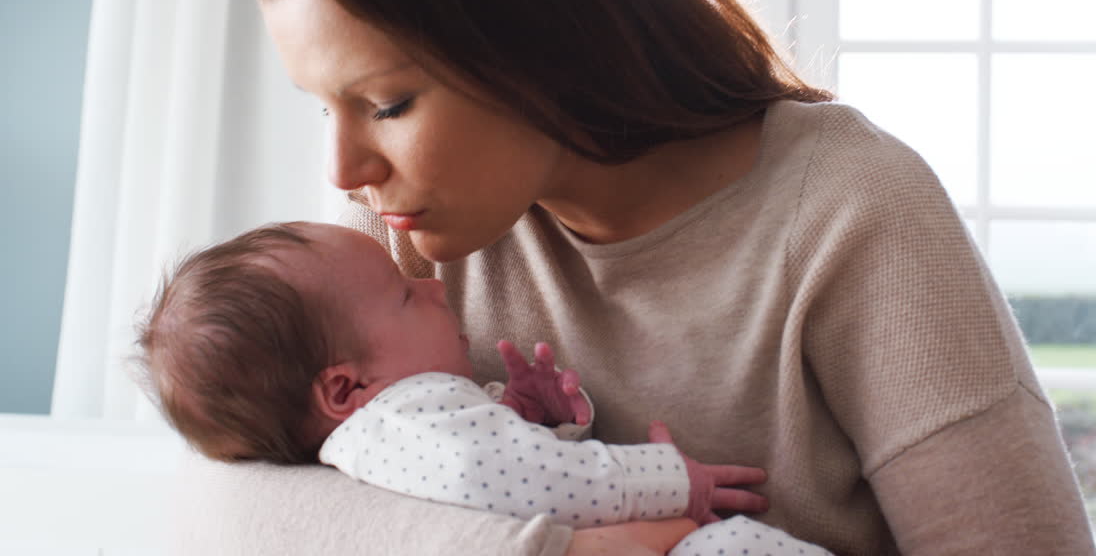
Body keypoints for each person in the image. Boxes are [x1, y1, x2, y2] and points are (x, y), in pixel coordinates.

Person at [224, 0, 1096, 553]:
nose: (344, 169)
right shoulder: (395, 234)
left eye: (387, 104)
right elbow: (232, 510)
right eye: (325, 107)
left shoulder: (852, 210)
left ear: (545, 36)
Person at [139, 220, 832, 556]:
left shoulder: (385, 440)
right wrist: (673, 481)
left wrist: (530, 419)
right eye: (404, 296)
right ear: (346, 389)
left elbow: (502, 471)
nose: (433, 286)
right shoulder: (404, 419)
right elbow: (527, 479)